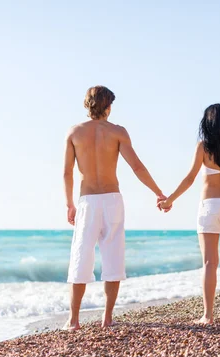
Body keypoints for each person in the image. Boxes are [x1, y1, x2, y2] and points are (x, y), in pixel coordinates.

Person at [63, 85, 167, 330]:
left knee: (81, 256)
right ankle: (107, 318)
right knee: (113, 255)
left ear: (87, 105)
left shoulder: (74, 132)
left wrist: (69, 204)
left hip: (87, 200)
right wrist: (158, 192)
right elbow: (137, 167)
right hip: (112, 199)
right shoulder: (118, 132)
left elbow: (67, 172)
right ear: (108, 107)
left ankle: (74, 320)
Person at [159, 104, 220, 324]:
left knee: (210, 263)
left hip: (210, 205)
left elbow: (190, 179)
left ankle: (208, 315)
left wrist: (169, 199)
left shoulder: (203, 147)